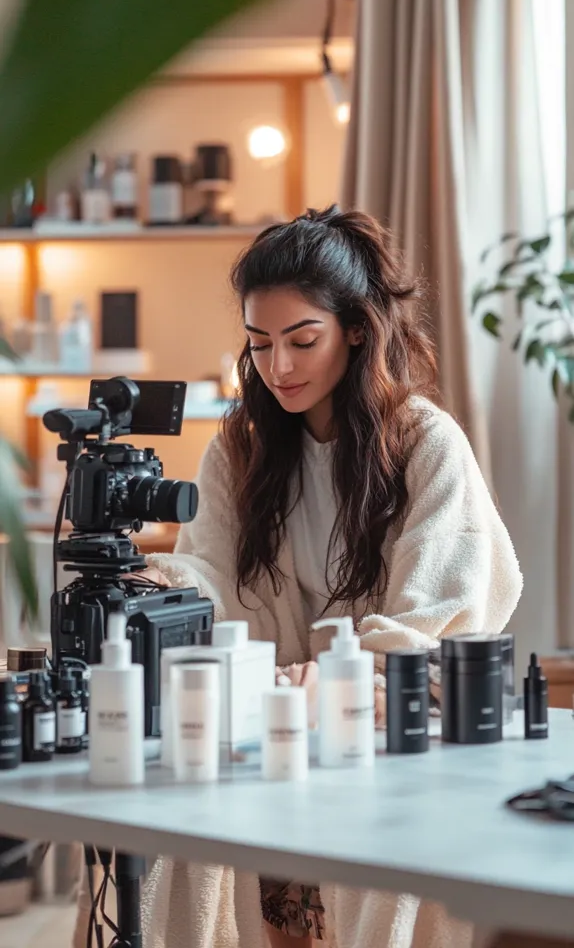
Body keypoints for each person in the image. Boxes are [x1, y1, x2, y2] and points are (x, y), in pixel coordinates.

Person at [78, 206, 522, 948]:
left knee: (373, 879)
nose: (279, 367)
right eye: (259, 345)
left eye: (301, 340)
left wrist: (344, 679)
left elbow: (444, 603)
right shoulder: (242, 449)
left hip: (382, 719)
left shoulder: (425, 443)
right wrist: (145, 587)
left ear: (356, 328)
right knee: (182, 851)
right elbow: (206, 576)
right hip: (271, 720)